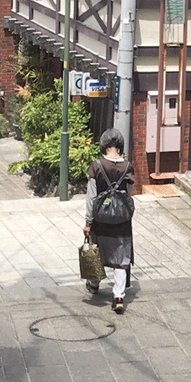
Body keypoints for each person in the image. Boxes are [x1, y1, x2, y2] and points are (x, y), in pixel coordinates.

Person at [84, 128, 135, 314]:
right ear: (120, 145)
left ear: (104, 145)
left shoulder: (96, 166)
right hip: (121, 220)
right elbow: (129, 195)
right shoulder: (127, 167)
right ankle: (119, 296)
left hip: (101, 219)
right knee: (121, 258)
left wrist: (88, 222)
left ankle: (94, 284)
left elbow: (91, 198)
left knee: (96, 251)